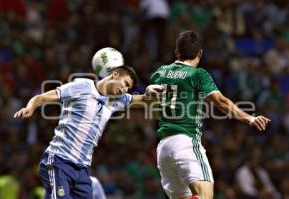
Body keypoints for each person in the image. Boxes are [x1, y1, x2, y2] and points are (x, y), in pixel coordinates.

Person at [150, 30, 271, 199]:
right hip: (185, 142)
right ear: (200, 53)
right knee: (205, 196)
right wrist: (250, 118)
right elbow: (220, 102)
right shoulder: (198, 74)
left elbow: (152, 98)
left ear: (177, 52)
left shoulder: (160, 73)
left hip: (163, 149)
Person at [14, 65, 162, 199]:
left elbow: (145, 99)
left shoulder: (117, 99)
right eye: (125, 84)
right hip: (59, 161)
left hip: (82, 170)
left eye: (128, 89)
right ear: (115, 74)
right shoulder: (82, 86)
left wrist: (150, 93)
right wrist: (30, 107)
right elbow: (43, 97)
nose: (125, 90)